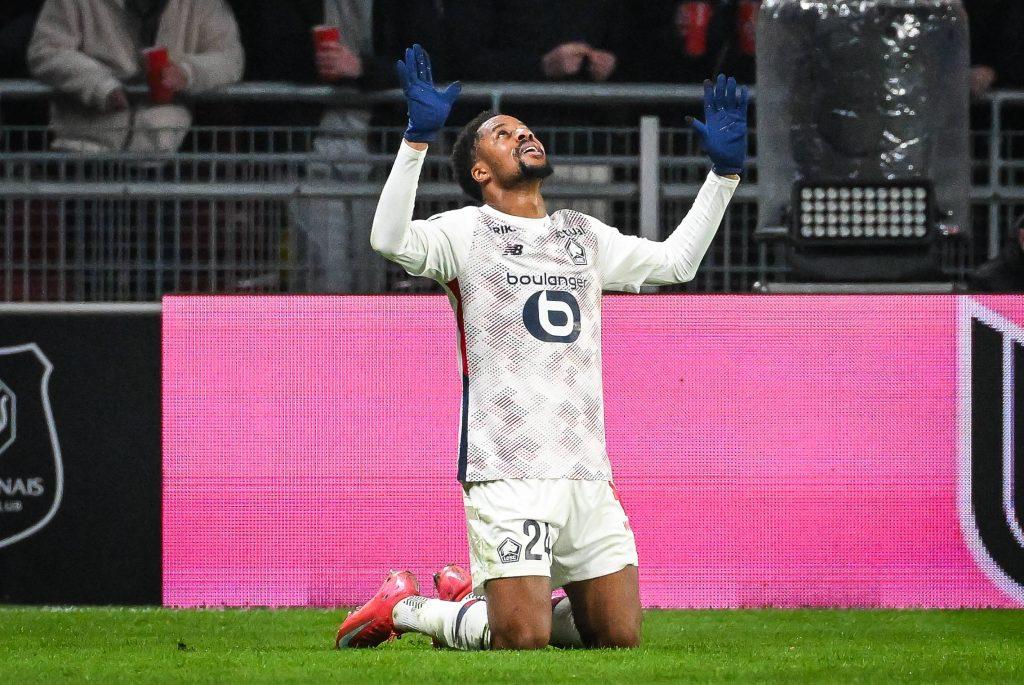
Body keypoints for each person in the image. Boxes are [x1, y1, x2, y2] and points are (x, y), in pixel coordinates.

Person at [335, 45, 747, 650]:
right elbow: (388, 238)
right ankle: (411, 609)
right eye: (503, 134)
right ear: (480, 172)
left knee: (617, 636)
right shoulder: (464, 232)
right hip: (507, 466)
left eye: (525, 130)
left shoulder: (581, 233)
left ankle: (478, 596)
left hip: (585, 467)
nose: (523, 135)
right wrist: (416, 141)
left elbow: (677, 264)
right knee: (521, 639)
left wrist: (723, 177)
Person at [27, 0, 243, 153]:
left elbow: (229, 57)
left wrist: (187, 73)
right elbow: (46, 50)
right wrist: (99, 86)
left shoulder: (205, 4)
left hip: (163, 152)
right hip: (83, 152)